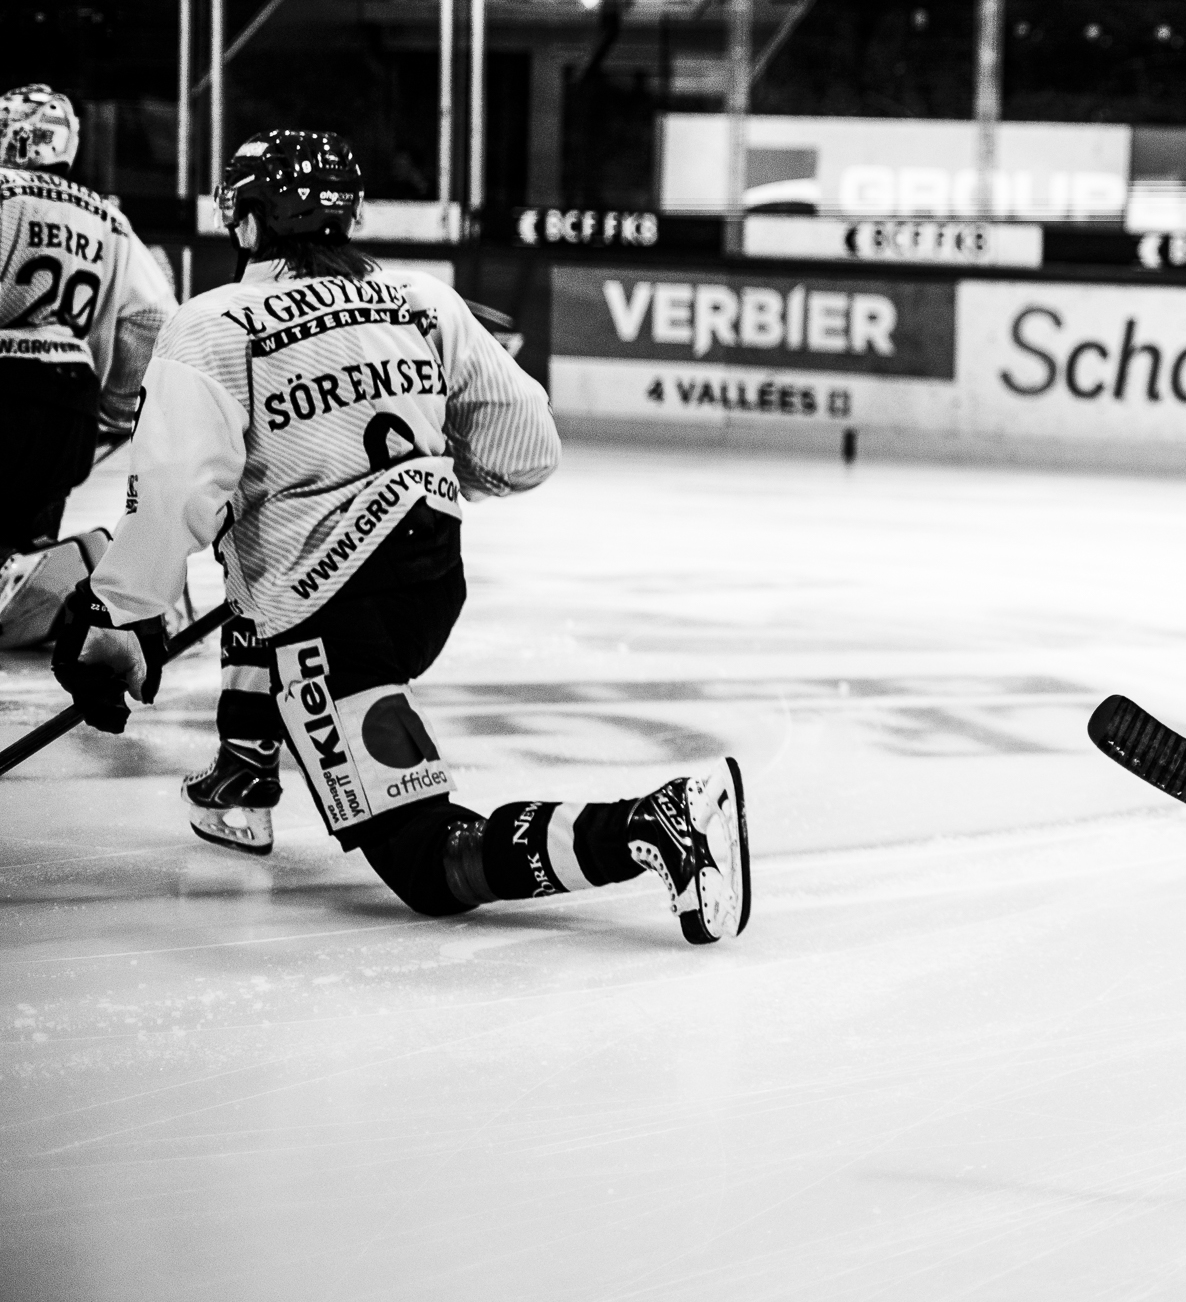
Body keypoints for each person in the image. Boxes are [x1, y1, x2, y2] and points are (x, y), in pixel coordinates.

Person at [49, 130, 750, 944]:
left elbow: (175, 491)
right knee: (259, 562)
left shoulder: (211, 323)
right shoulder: (422, 298)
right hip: (429, 582)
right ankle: (244, 774)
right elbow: (528, 444)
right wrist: (418, 481)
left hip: (335, 620)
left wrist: (119, 614)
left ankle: (653, 823)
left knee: (427, 859)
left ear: (251, 218)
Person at [0, 85, 175, 646]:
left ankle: (76, 572)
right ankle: (90, 574)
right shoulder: (110, 219)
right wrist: (117, 407)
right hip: (69, 405)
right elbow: (152, 317)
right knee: (22, 547)